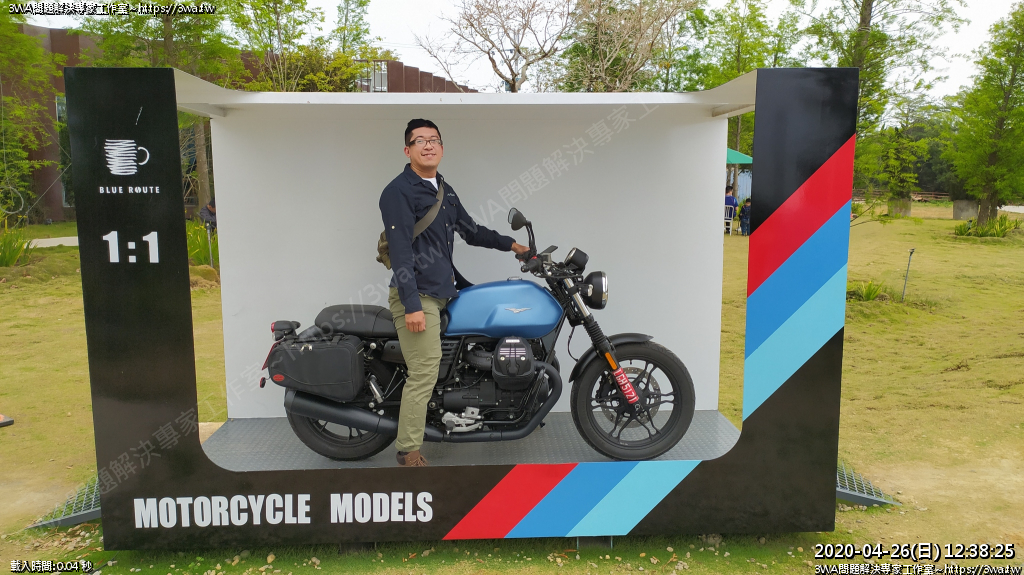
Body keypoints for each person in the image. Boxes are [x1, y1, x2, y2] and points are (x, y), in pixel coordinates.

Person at [380, 119, 530, 467]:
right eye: (420, 141)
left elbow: (471, 231)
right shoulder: (398, 191)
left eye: (434, 140)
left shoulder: (443, 190)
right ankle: (408, 452)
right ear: (407, 150)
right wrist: (412, 305)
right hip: (418, 295)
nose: (428, 145)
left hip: (445, 291)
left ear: (442, 148)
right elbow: (400, 251)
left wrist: (512, 245)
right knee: (424, 370)